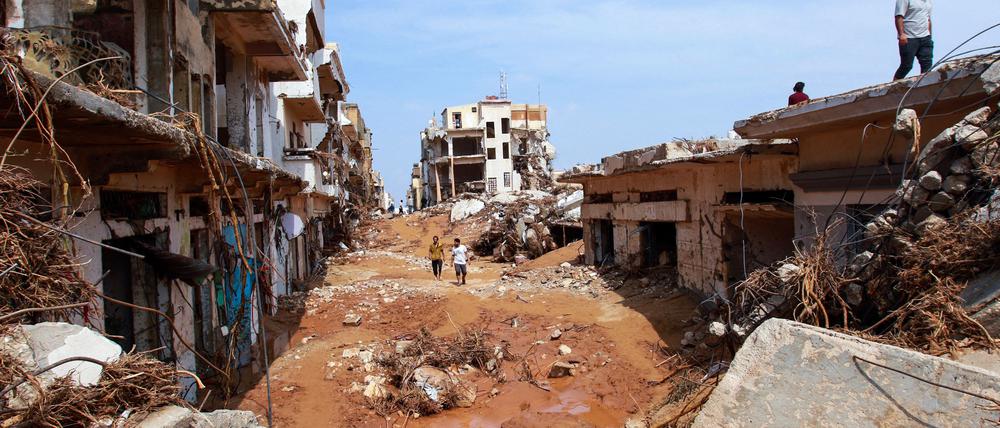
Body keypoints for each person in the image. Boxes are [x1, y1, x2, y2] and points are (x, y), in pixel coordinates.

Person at [893, 0, 933, 80]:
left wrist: (929, 35)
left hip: (925, 37)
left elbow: (928, 19)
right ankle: (893, 86)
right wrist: (901, 34)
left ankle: (923, 85)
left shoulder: (928, 2)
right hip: (909, 37)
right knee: (906, 66)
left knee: (927, 64)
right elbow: (899, 17)